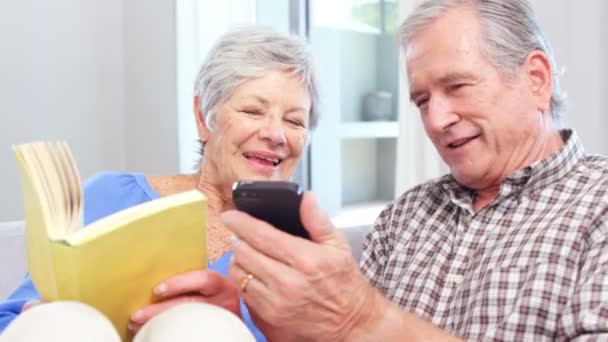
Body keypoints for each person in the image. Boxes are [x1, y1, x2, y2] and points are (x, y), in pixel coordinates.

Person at [223, 0, 608, 340]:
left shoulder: (598, 206)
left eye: (457, 86)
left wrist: (367, 319)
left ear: (536, 79)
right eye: (422, 100)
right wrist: (256, 323)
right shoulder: (404, 216)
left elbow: (358, 324)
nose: (436, 120)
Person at [0, 25, 319, 341]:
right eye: (253, 110)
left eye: (294, 121)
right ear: (202, 117)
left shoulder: (308, 253)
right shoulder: (107, 195)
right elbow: (9, 319)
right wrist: (45, 317)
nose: (276, 135)